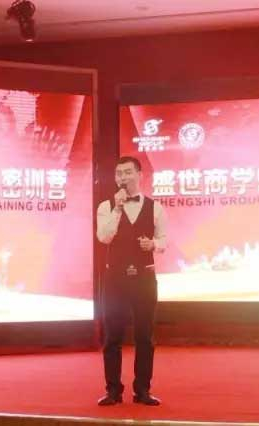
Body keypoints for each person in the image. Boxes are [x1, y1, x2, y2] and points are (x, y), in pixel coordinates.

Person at [96, 156, 167, 406]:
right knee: (112, 337)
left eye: (127, 172)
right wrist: (117, 209)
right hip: (115, 278)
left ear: (139, 175)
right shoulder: (106, 206)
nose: (122, 177)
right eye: (119, 173)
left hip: (144, 278)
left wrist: (154, 244)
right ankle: (113, 391)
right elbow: (104, 237)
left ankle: (143, 390)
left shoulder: (155, 207)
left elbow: (164, 240)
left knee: (145, 337)